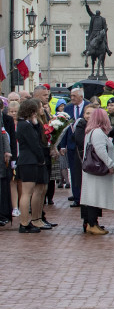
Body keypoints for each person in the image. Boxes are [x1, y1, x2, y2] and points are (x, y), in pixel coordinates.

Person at [80, 106, 114, 235]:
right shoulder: (98, 132)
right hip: (96, 170)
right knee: (94, 197)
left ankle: (93, 223)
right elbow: (100, 150)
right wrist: (110, 164)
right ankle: (91, 223)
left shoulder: (91, 131)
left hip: (92, 170)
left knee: (93, 196)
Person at [16, 99, 49, 233]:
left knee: (28, 192)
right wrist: (41, 158)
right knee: (27, 193)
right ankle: (24, 223)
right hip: (28, 160)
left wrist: (35, 124)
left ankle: (27, 222)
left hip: (28, 160)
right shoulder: (24, 124)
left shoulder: (26, 124)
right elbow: (34, 143)